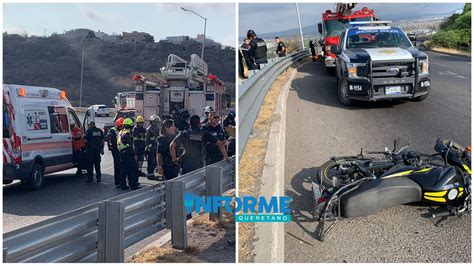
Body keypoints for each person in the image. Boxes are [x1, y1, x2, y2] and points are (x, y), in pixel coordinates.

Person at [117, 118, 140, 190]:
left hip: (122, 153)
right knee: (133, 169)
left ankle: (123, 185)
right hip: (128, 153)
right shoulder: (127, 133)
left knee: (124, 170)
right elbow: (130, 145)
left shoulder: (120, 132)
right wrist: (134, 154)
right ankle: (133, 185)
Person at [107, 118, 124, 188]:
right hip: (115, 150)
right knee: (117, 165)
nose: (122, 127)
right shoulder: (113, 130)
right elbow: (111, 141)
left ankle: (122, 180)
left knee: (123, 165)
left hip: (122, 149)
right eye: (121, 126)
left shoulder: (123, 130)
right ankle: (117, 182)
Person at [145, 115, 161, 179]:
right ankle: (150, 175)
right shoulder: (149, 129)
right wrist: (149, 146)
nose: (156, 123)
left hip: (155, 147)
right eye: (155, 122)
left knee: (154, 161)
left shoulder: (157, 128)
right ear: (151, 122)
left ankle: (152, 174)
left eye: (157, 122)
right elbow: (146, 139)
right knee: (151, 161)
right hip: (151, 148)